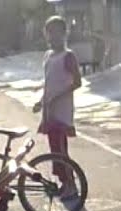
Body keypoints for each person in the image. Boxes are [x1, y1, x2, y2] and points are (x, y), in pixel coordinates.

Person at [32, 15, 82, 199]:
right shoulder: (48, 55)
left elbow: (77, 82)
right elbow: (48, 82)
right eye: (50, 32)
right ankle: (63, 182)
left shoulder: (68, 56)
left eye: (57, 32)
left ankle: (72, 185)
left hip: (62, 109)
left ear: (64, 33)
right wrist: (42, 101)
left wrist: (57, 97)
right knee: (54, 148)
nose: (53, 36)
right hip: (49, 108)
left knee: (61, 148)